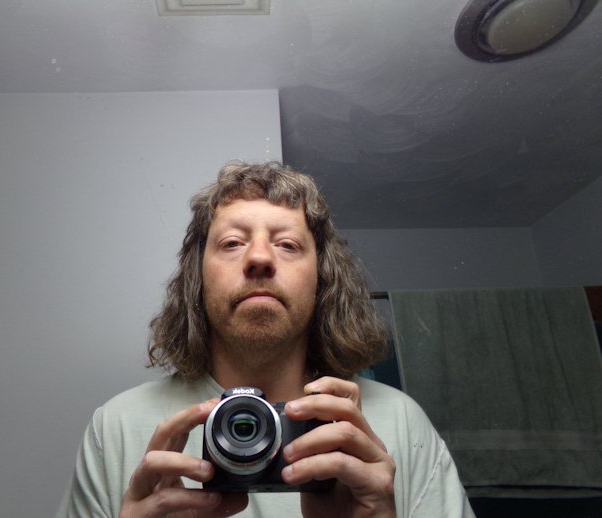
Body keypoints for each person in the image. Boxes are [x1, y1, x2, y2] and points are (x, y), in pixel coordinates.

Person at [57, 161, 475, 517]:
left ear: (322, 279)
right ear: (197, 280)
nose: (259, 258)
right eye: (232, 243)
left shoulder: (399, 423)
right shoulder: (116, 427)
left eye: (288, 244)